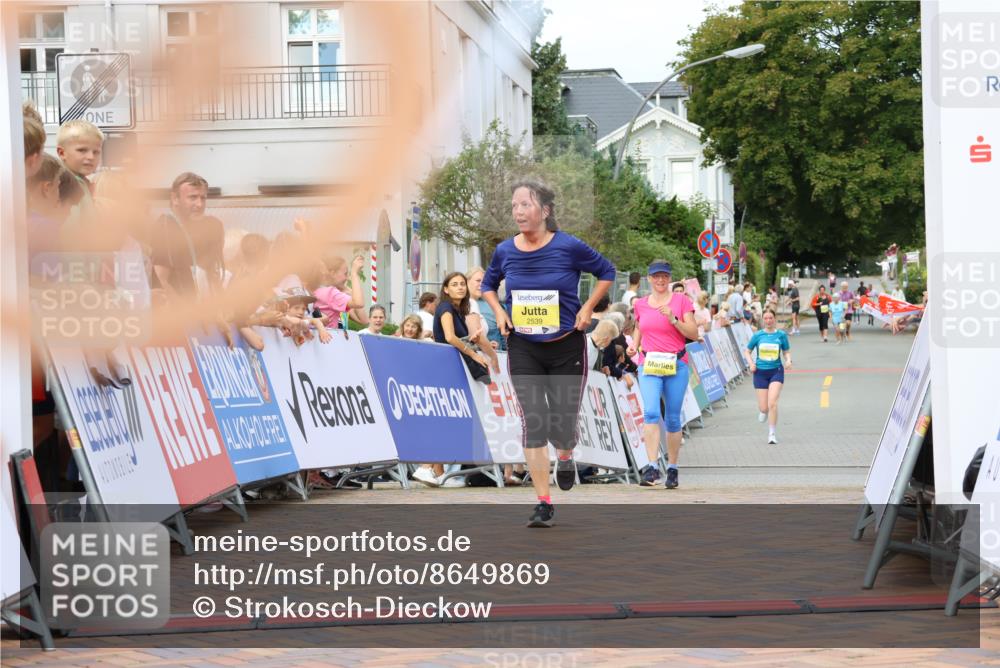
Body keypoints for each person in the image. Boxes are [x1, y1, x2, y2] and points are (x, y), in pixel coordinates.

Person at [481, 178, 616, 528]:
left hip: (566, 346)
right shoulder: (504, 251)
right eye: (514, 206)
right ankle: (543, 502)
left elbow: (606, 271)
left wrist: (587, 308)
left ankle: (567, 452)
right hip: (524, 346)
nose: (519, 211)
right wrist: (498, 310)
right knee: (534, 421)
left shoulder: (568, 246)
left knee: (563, 422)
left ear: (545, 210)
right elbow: (487, 285)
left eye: (525, 205)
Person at [626, 260, 699, 489]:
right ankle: (652, 467)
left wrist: (674, 320)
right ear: (648, 278)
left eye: (664, 276)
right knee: (650, 412)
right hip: (649, 364)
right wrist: (634, 345)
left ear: (669, 278)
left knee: (673, 418)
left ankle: (673, 468)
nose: (660, 280)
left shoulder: (681, 301)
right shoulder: (641, 304)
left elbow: (694, 334)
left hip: (676, 364)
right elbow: (639, 326)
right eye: (656, 276)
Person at [150, 172, 225, 298]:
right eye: (192, 197)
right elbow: (162, 282)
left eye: (203, 198)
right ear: (175, 199)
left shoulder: (211, 226)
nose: (200, 204)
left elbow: (213, 274)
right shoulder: (166, 228)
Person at [434, 272, 500, 381]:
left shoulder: (458, 310)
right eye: (454, 285)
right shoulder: (446, 307)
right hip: (447, 365)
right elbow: (449, 337)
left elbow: (458, 339)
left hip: (455, 365)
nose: (460, 288)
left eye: (462, 284)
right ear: (446, 289)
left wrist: (473, 341)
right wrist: (473, 355)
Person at [744, 309, 791, 445]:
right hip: (760, 373)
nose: (769, 320)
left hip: (776, 371)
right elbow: (747, 351)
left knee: (773, 403)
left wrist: (788, 360)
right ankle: (763, 411)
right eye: (766, 318)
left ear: (774, 319)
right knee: (764, 408)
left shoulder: (781, 335)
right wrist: (751, 364)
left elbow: (786, 351)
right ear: (763, 320)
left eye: (771, 318)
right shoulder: (758, 335)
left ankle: (772, 434)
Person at [55, 119, 103, 221]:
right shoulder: (67, 185)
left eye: (96, 152)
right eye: (82, 150)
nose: (91, 157)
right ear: (62, 153)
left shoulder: (82, 183)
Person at [313, 255, 368, 331]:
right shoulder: (330, 293)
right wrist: (354, 274)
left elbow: (363, 320)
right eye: (345, 274)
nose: (347, 278)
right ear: (332, 273)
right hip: (332, 340)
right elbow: (359, 303)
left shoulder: (324, 292)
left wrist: (350, 292)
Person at [466, 266, 501, 350]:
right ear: (467, 281)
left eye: (484, 281)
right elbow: (474, 338)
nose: (481, 284)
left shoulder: (472, 303)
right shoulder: (470, 303)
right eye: (478, 280)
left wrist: (488, 345)